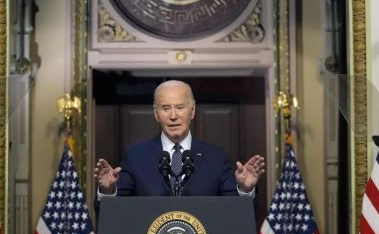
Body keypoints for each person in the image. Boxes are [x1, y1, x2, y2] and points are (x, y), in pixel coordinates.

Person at [93, 80, 265, 213]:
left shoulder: (216, 157)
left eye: (180, 107)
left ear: (192, 111)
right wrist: (107, 191)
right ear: (156, 113)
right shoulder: (135, 155)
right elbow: (112, 214)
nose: (173, 116)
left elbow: (235, 213)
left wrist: (244, 189)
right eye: (165, 108)